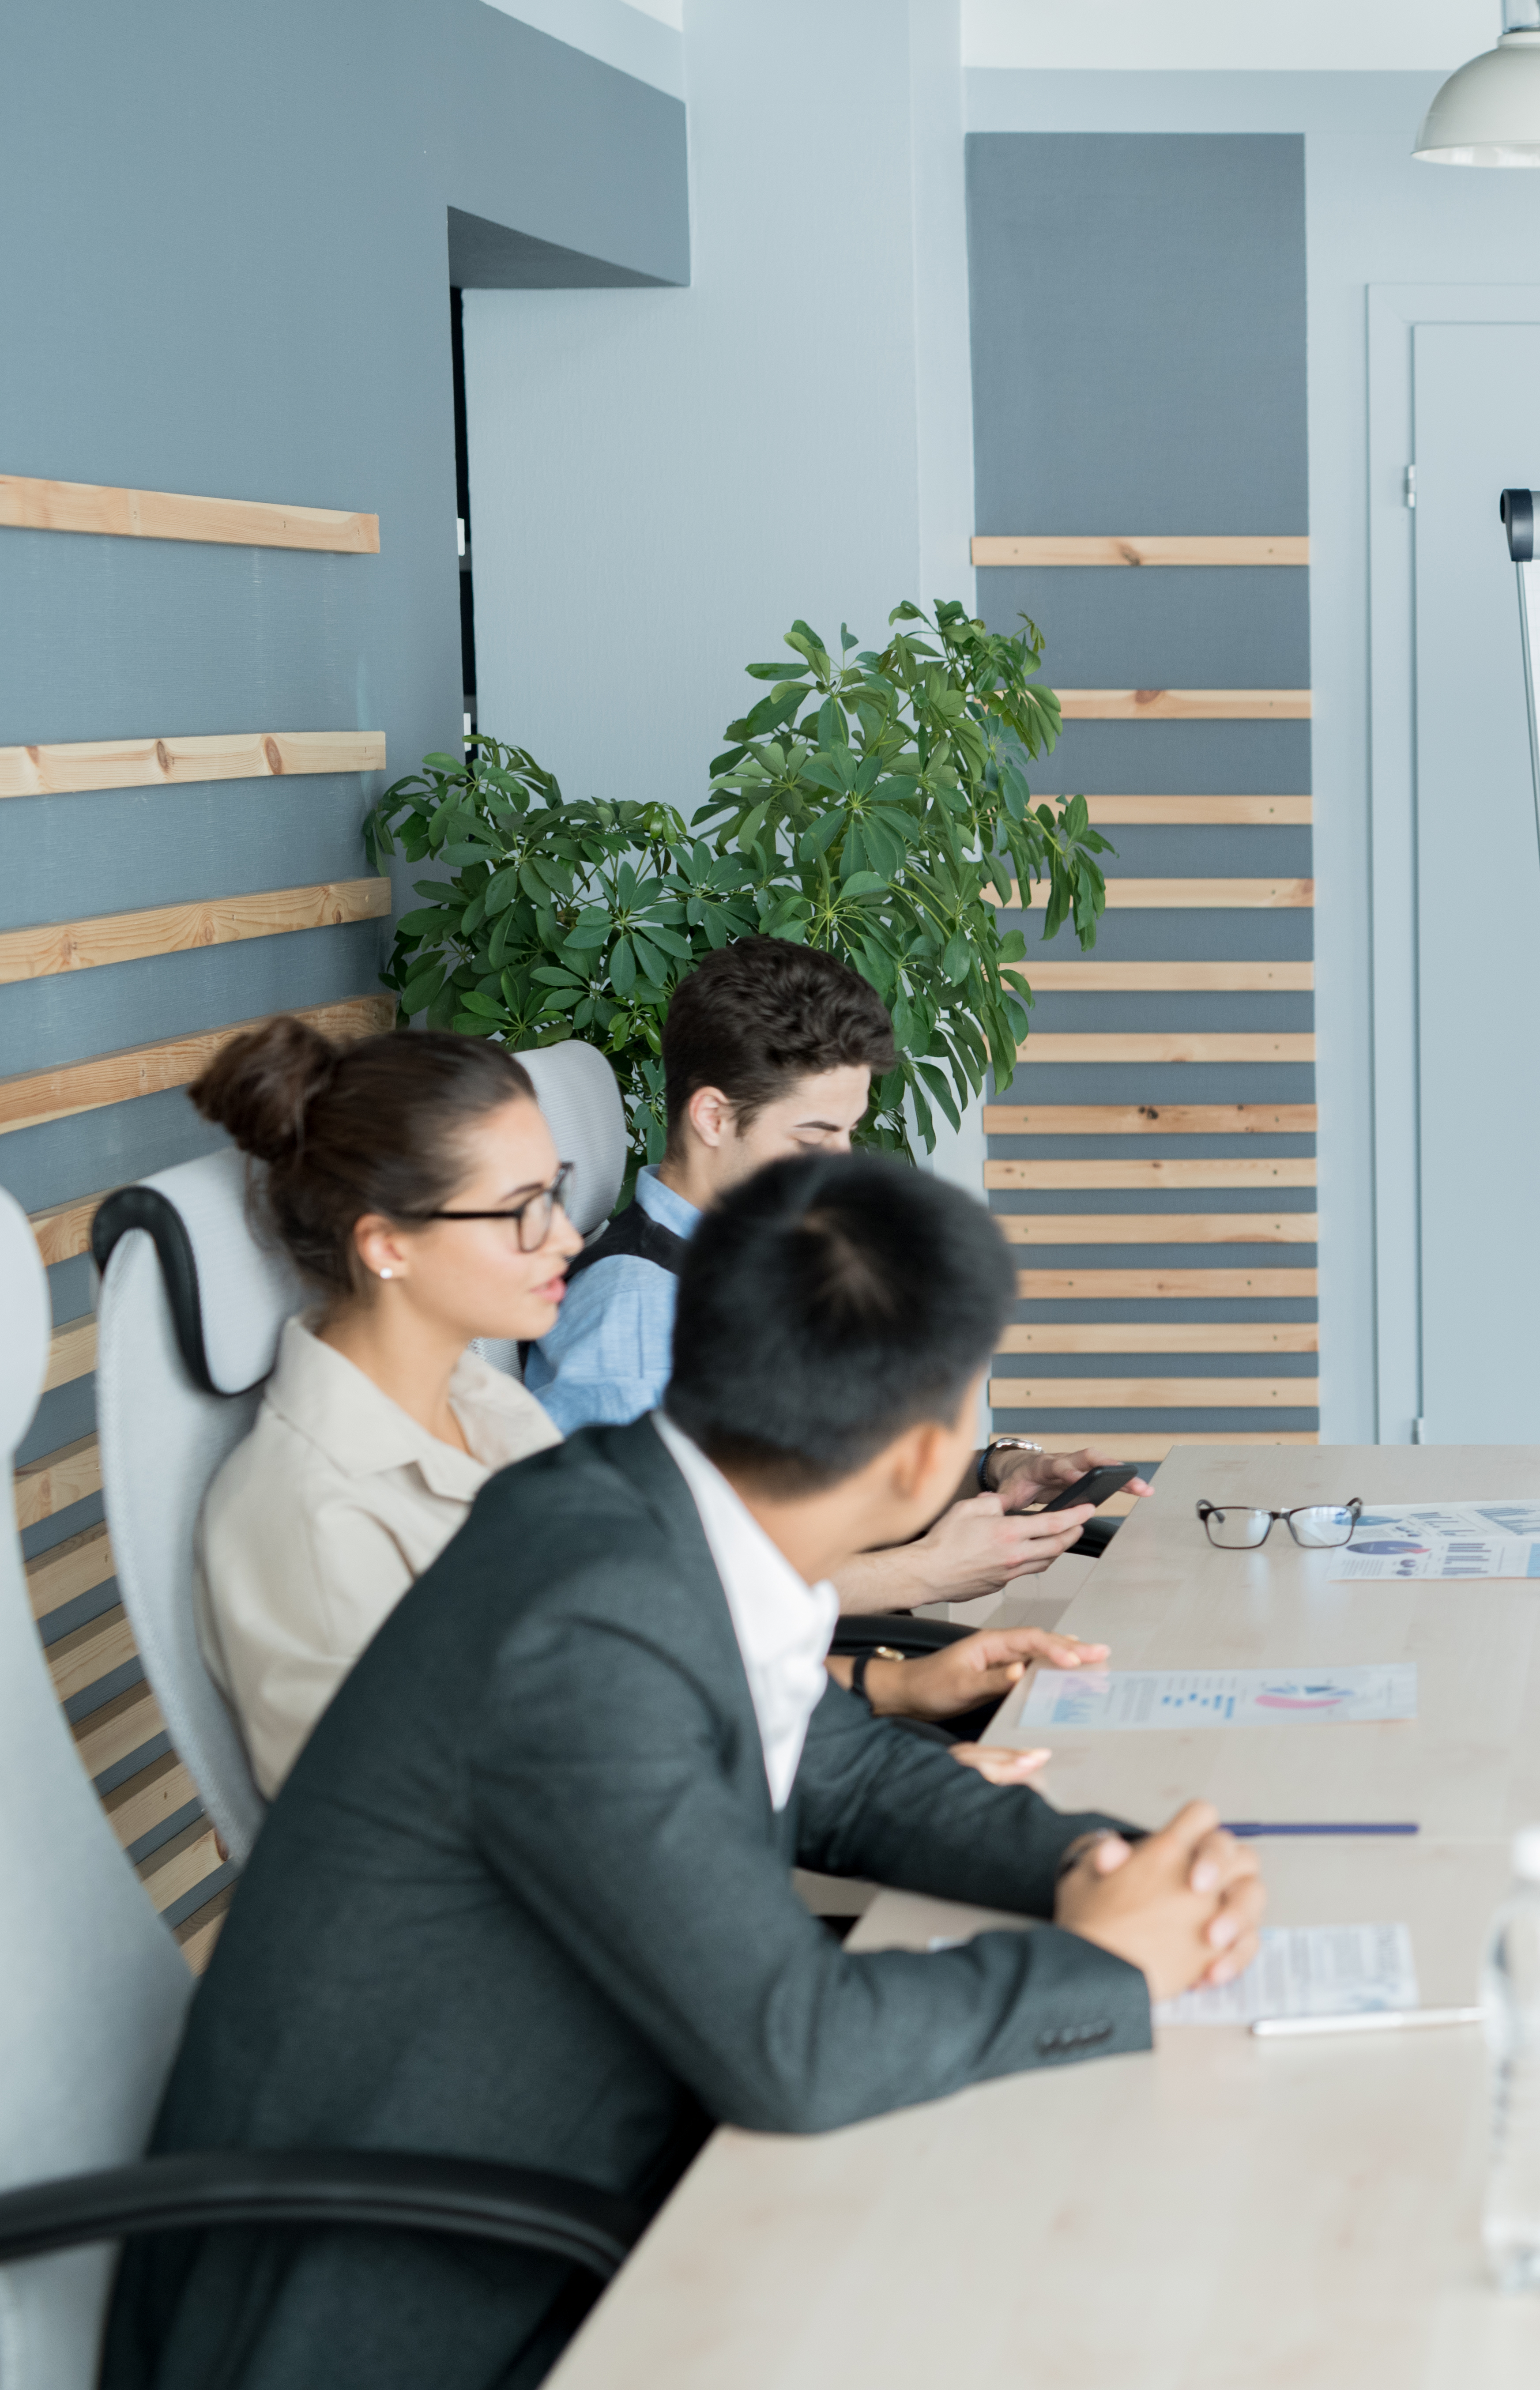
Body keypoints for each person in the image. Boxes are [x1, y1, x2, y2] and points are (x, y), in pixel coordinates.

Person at [106, 1151, 1268, 2390]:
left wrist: (1100, 1864)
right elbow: (795, 2051)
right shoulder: (590, 1620)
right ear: (930, 1460)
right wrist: (1104, 1964)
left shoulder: (650, 1513)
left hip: (566, 2182)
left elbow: (851, 1775)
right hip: (390, 2310)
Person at [184, 1016, 1083, 1797]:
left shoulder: (489, 1408)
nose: (567, 1237)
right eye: (523, 1210)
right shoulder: (311, 1516)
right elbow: (449, 1829)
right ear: (386, 1245)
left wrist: (892, 1694)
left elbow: (645, 1666)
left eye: (557, 1190)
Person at [524, 936, 1142, 1610]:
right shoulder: (637, 1314)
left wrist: (996, 1472)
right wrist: (923, 1574)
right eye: (813, 1139)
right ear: (713, 1116)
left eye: (848, 1134)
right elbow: (649, 1582)